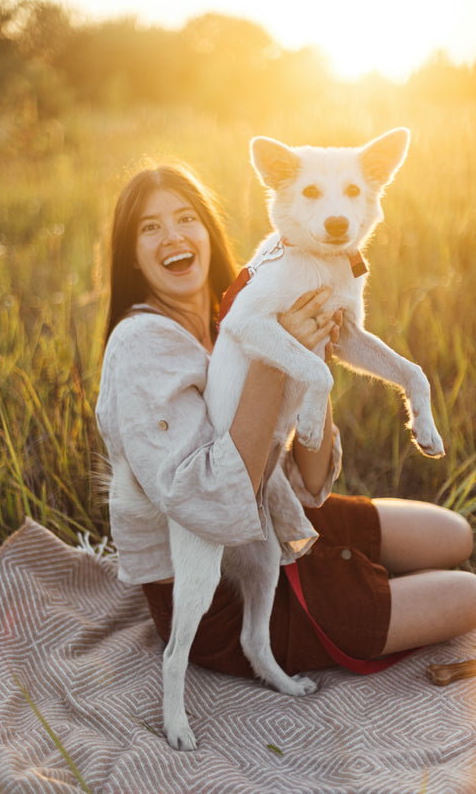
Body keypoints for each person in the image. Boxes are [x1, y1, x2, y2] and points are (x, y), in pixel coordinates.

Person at [95, 159, 476, 678]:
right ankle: (337, 607)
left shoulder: (238, 304)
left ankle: (358, 579)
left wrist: (317, 349)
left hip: (278, 518)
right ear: (131, 255)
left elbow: (311, 483)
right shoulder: (142, 346)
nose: (172, 237)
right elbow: (212, 503)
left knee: (453, 533)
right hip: (226, 594)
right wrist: (280, 357)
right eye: (149, 227)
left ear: (208, 231)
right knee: (468, 596)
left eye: (186, 219)